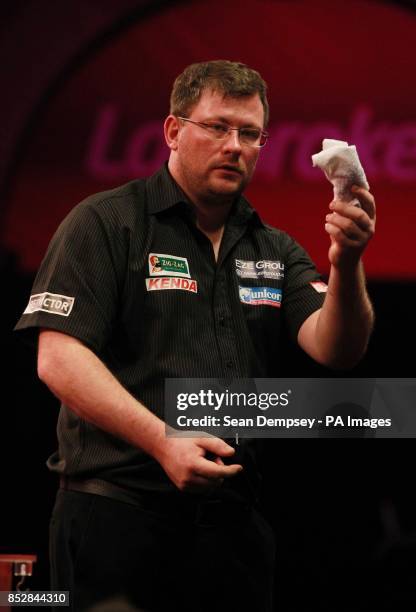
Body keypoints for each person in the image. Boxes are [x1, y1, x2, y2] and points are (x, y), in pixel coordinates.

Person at [15, 60, 375, 611]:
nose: (235, 146)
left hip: (232, 531)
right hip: (115, 516)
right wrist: (163, 440)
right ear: (174, 131)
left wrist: (347, 264)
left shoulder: (273, 249)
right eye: (218, 127)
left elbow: (339, 348)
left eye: (250, 133)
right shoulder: (108, 223)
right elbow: (57, 359)